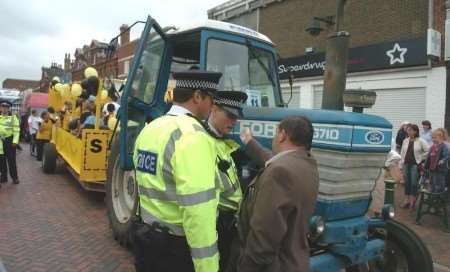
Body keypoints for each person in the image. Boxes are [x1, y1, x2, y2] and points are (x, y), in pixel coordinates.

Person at [132, 70, 222, 272]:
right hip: (175, 251)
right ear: (197, 96)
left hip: (146, 242)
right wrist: (208, 268)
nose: (212, 106)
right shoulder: (194, 136)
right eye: (211, 99)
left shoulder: (151, 129)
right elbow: (198, 210)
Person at [233, 116, 319, 272]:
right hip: (296, 261)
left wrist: (246, 266)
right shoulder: (307, 163)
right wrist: (250, 142)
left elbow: (264, 237)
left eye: (275, 133)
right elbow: (275, 160)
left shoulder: (279, 172)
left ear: (282, 135)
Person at [205, 91, 248, 271]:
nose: (233, 122)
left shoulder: (223, 141)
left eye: (236, 118)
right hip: (214, 220)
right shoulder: (201, 141)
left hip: (227, 221)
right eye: (229, 116)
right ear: (214, 109)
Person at [400, 124, 429, 209]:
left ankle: (412, 202)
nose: (408, 132)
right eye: (408, 130)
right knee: (406, 183)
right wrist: (401, 164)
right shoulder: (405, 140)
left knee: (413, 183)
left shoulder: (421, 141)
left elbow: (428, 151)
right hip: (406, 164)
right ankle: (406, 200)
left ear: (415, 131)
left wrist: (420, 157)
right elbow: (402, 153)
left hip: (415, 165)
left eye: (410, 130)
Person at [423, 128, 449, 193]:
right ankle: (433, 197)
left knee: (439, 185)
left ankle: (439, 199)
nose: (433, 139)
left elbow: (447, 156)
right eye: (432, 138)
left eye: (435, 138)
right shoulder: (432, 147)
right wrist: (425, 166)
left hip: (440, 170)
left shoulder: (443, 146)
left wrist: (442, 160)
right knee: (432, 184)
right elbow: (428, 157)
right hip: (432, 169)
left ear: (441, 138)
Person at [0, 101, 20, 184]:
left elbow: (16, 130)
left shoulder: (13, 118)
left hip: (9, 141)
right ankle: (4, 177)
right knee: (2, 161)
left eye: (6, 107)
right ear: (0, 108)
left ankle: (15, 178)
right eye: (3, 107)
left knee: (11, 161)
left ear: (9, 109)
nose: (4, 109)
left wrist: (15, 141)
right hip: (0, 142)